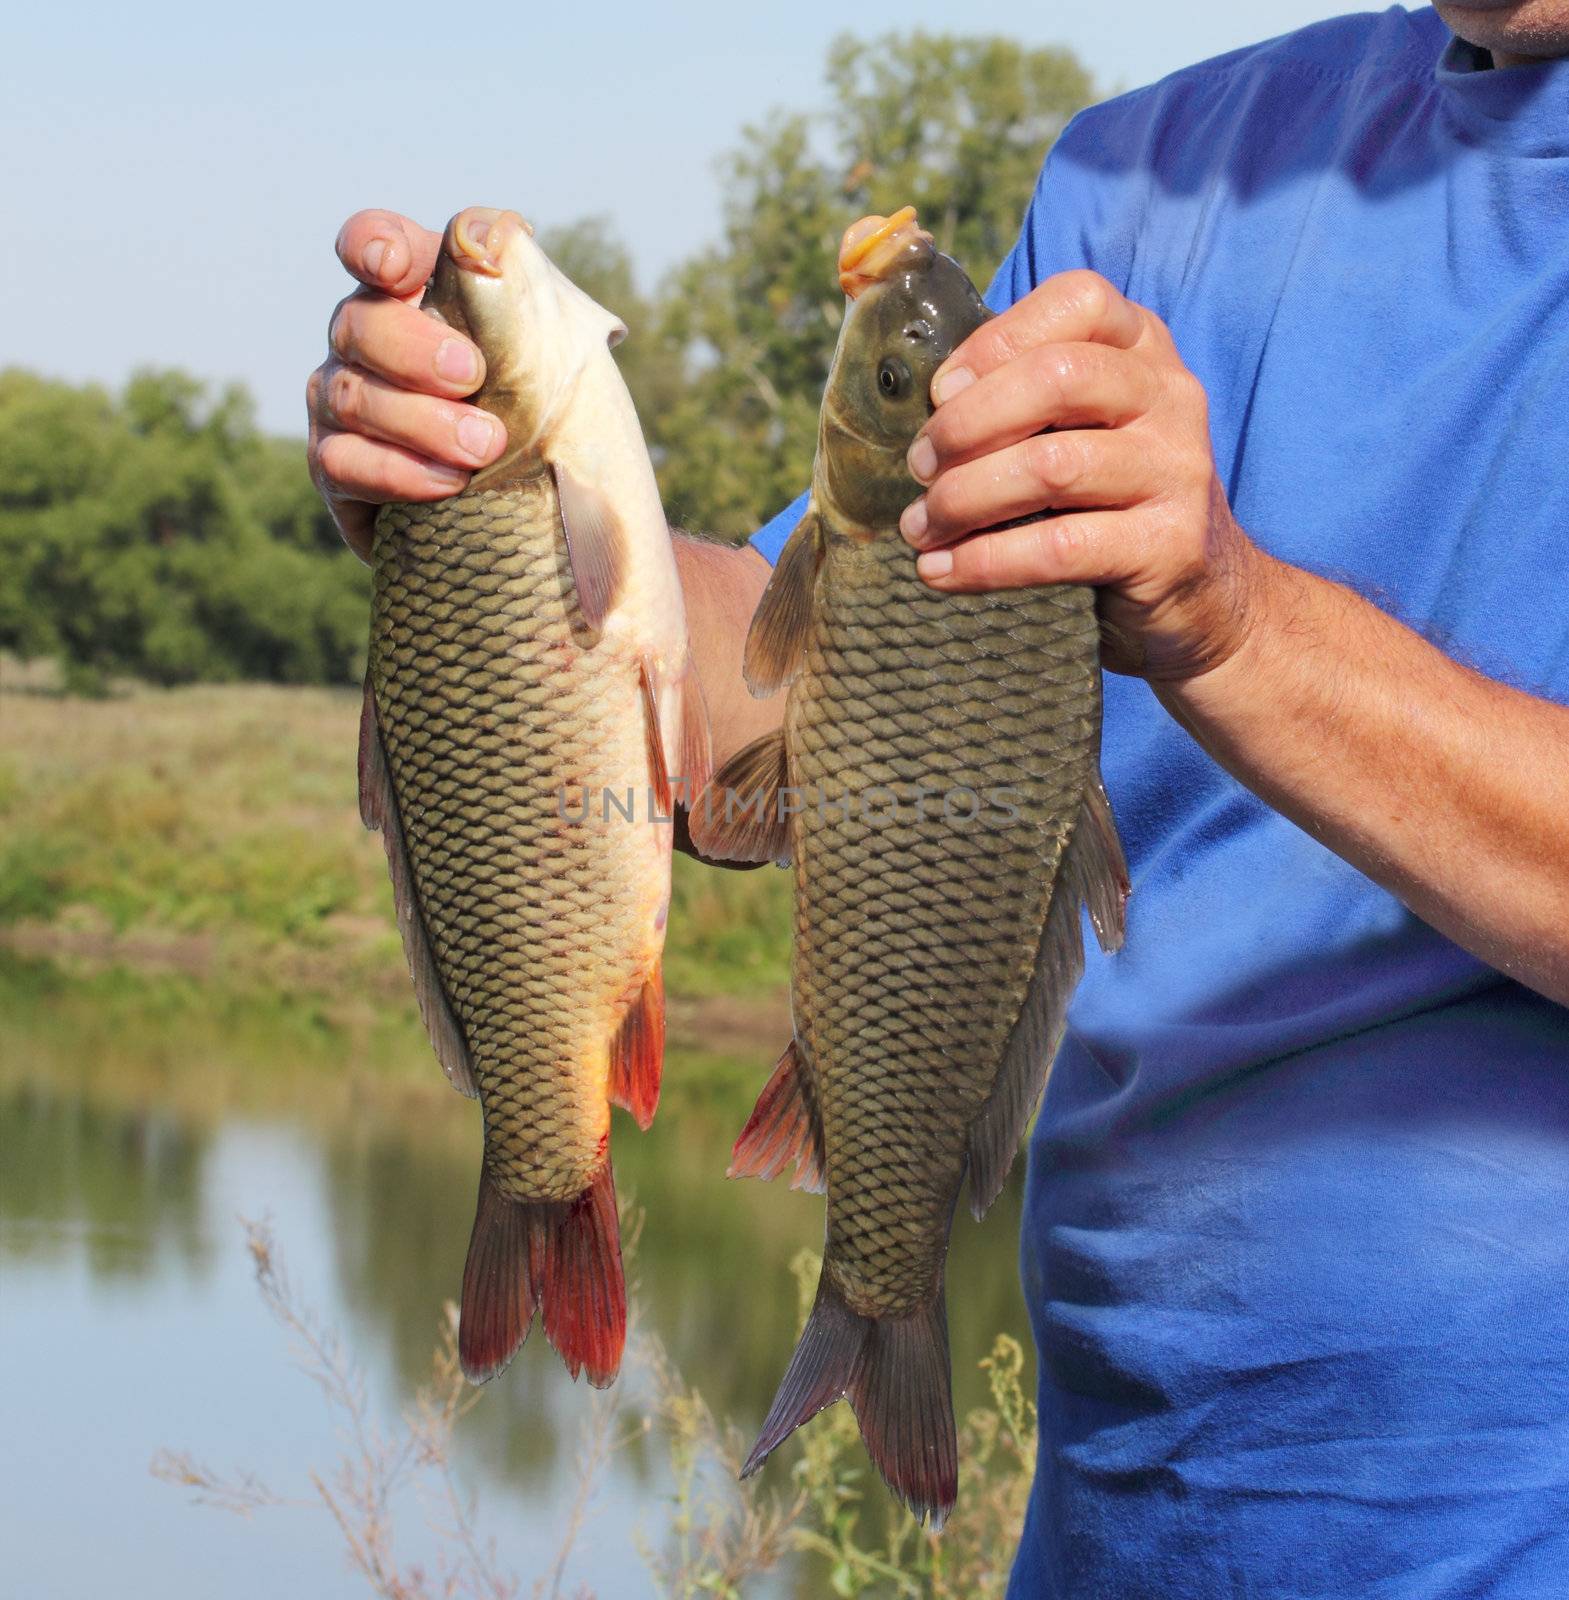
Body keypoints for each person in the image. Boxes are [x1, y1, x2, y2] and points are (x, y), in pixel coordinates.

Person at [306, 3, 1569, 1592]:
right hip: (1138, 1505)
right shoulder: (1152, 173)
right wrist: (485, 539)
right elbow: (811, 690)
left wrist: (1229, 620)